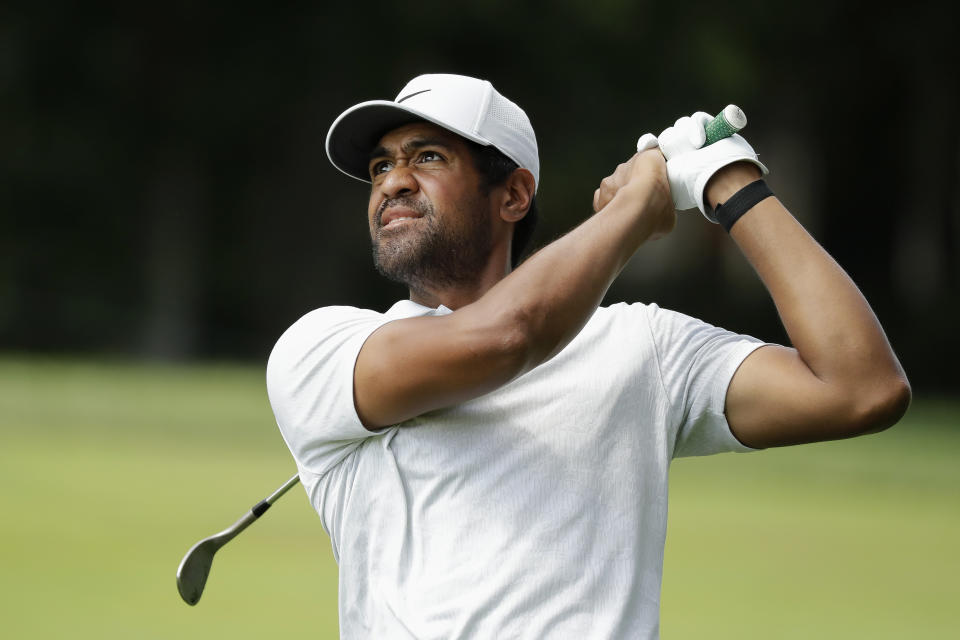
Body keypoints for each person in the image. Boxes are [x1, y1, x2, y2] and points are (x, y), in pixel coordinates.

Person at [266, 73, 910, 639]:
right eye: (381, 167)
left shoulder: (641, 347)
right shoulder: (321, 349)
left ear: (514, 195)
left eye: (427, 157)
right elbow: (505, 338)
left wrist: (731, 183)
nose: (394, 182)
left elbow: (862, 387)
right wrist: (637, 210)